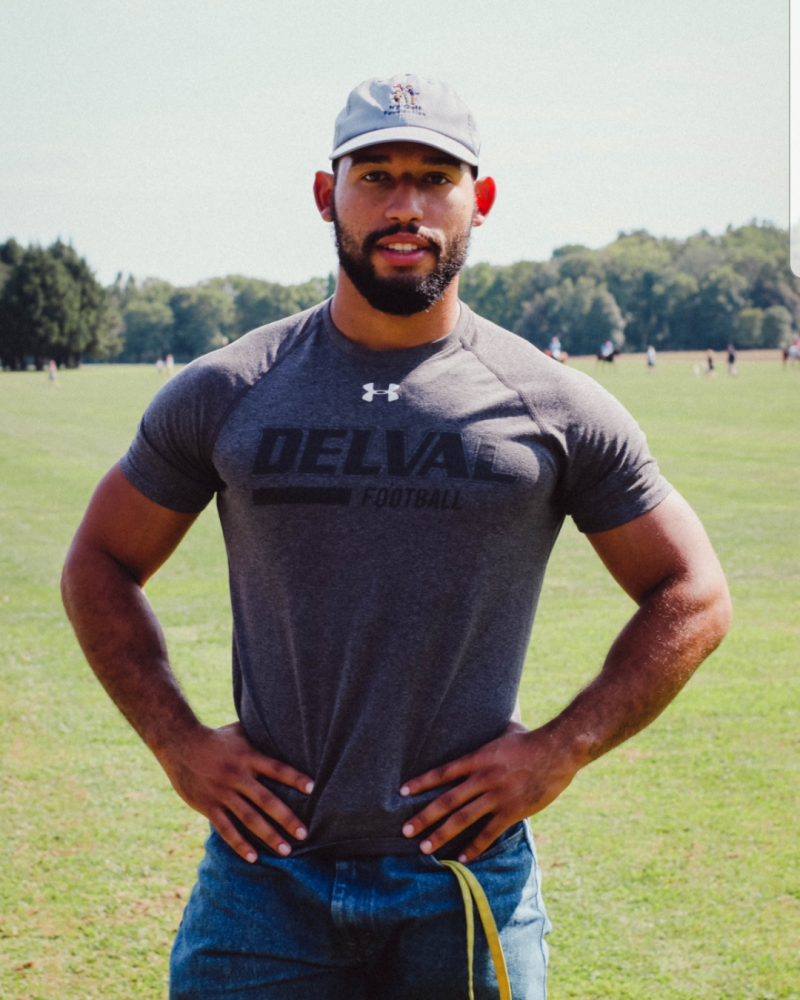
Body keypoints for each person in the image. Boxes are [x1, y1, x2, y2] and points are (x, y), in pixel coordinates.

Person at [61, 74, 731, 1000]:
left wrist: (561, 748)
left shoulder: (551, 404)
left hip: (463, 879)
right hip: (266, 880)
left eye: (435, 177)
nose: (405, 205)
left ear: (479, 201)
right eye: (374, 176)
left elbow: (693, 590)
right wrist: (178, 742)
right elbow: (100, 561)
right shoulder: (229, 390)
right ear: (325, 195)